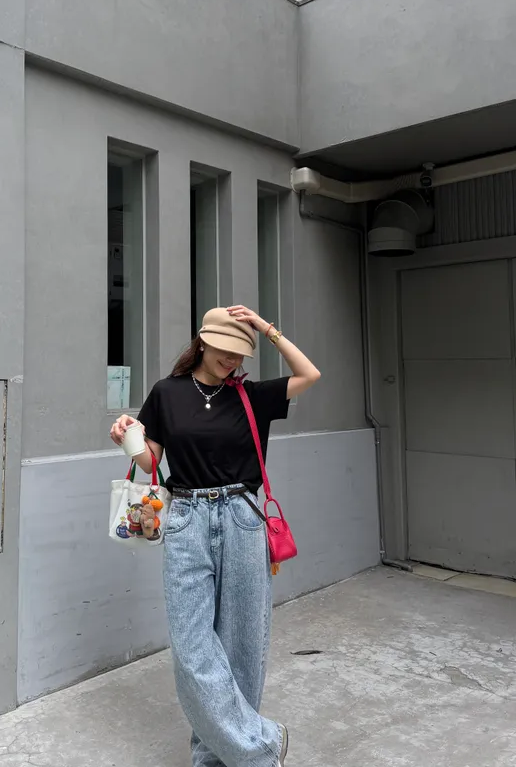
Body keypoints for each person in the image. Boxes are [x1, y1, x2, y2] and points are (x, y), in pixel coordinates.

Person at [110, 305, 320, 767]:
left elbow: (310, 374)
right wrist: (127, 437)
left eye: (240, 353)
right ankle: (262, 746)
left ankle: (217, 758)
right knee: (192, 648)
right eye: (225, 349)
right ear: (203, 342)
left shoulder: (251, 396)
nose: (232, 360)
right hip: (186, 518)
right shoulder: (167, 393)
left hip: (242, 516)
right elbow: (151, 462)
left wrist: (265, 329)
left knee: (242, 644)